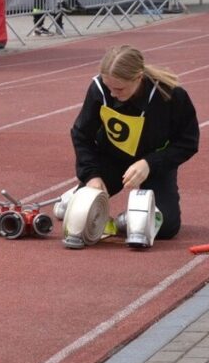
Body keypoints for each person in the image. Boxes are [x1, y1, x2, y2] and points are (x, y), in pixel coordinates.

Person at [70, 45, 199, 240]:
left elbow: (188, 142)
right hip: (111, 159)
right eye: (108, 86)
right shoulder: (99, 89)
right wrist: (91, 176)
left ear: (138, 77)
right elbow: (81, 135)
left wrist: (150, 163)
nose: (113, 93)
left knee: (165, 227)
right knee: (79, 216)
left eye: (119, 88)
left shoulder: (171, 95)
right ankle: (71, 199)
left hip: (154, 163)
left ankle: (125, 220)